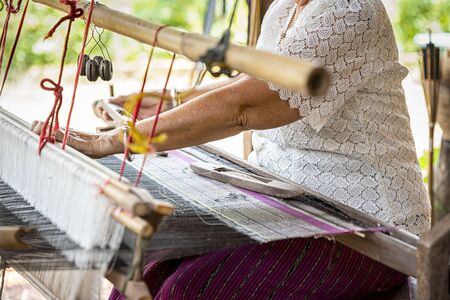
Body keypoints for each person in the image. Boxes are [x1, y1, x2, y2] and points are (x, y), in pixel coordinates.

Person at [32, 0, 430, 298]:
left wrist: (115, 141)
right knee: (143, 268)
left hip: (366, 229)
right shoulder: (285, 9)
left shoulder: (349, 12)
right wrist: (171, 99)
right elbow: (250, 80)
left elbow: (245, 106)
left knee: (190, 290)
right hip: (286, 201)